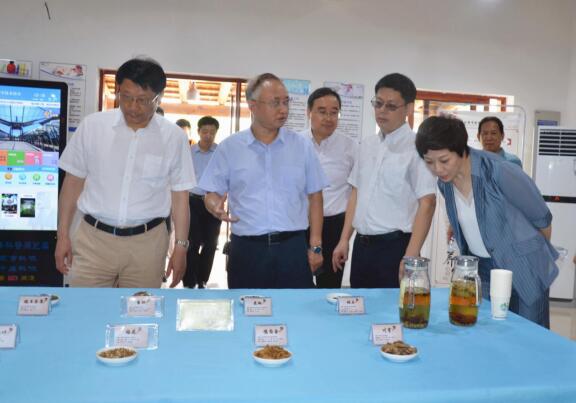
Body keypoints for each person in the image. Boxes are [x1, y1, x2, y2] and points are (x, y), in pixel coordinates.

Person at [55, 57, 196, 288]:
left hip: (147, 246)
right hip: (93, 241)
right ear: (118, 90)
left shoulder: (174, 138)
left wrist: (180, 247)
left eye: (142, 100)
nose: (133, 107)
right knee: (87, 307)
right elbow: (72, 184)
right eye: (126, 97)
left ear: (159, 97)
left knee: (141, 309)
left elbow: (180, 197)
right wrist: (62, 236)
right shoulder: (93, 126)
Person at [415, 115, 559, 327]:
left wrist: (534, 257)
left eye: (444, 160)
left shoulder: (500, 170)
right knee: (488, 332)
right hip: (481, 269)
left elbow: (542, 219)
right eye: (429, 162)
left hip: (522, 267)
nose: (437, 169)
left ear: (462, 150)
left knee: (528, 335)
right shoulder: (445, 183)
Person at [199, 73, 328, 289]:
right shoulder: (230, 148)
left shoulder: (301, 146)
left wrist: (316, 246)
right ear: (253, 106)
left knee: (294, 307)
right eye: (275, 103)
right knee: (247, 306)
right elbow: (211, 192)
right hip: (247, 249)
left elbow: (316, 196)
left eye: (286, 102)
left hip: (292, 248)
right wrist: (213, 205)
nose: (283, 109)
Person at [332, 73, 436, 288]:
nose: (381, 111)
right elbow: (356, 193)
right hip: (362, 247)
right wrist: (344, 240)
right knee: (360, 305)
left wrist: (411, 255)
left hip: (395, 249)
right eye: (378, 104)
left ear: (408, 108)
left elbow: (427, 203)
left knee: (393, 308)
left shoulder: (417, 148)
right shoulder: (367, 145)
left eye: (391, 106)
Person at [300, 87, 356, 288]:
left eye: (334, 112)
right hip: (299, 225)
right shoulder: (296, 143)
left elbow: (356, 193)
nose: (328, 118)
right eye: (322, 111)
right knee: (298, 284)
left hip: (335, 226)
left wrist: (345, 239)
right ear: (309, 112)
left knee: (330, 286)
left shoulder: (351, 147)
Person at [184, 116, 222, 288]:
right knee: (192, 243)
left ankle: (202, 280)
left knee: (211, 243)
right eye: (205, 131)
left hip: (213, 203)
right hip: (193, 202)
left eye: (212, 132)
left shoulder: (220, 152)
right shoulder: (189, 152)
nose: (208, 135)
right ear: (198, 132)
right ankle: (189, 281)